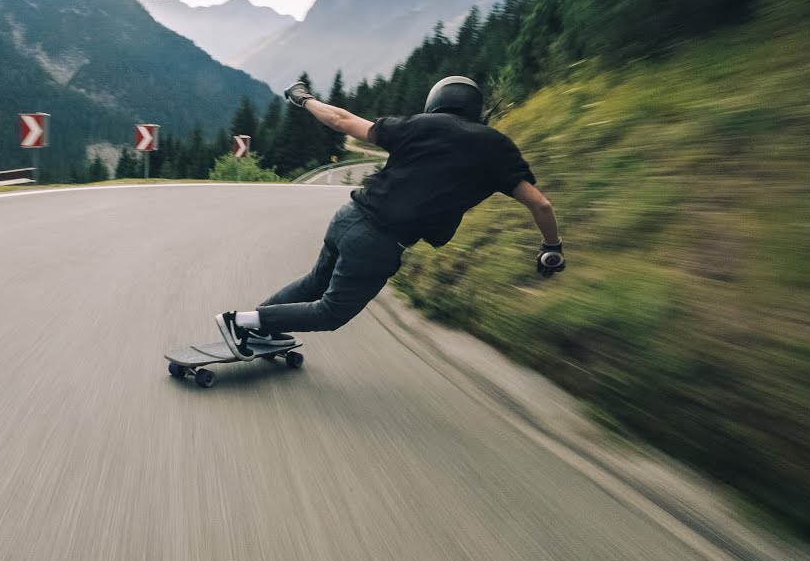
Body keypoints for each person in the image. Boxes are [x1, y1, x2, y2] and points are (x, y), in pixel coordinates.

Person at [214, 76, 564, 358]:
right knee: (331, 312)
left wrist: (303, 98)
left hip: (348, 216)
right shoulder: (497, 148)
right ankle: (242, 322)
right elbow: (542, 206)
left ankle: (257, 324)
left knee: (314, 282)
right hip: (378, 242)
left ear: (436, 103)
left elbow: (341, 120)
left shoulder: (418, 126)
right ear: (476, 110)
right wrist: (552, 247)